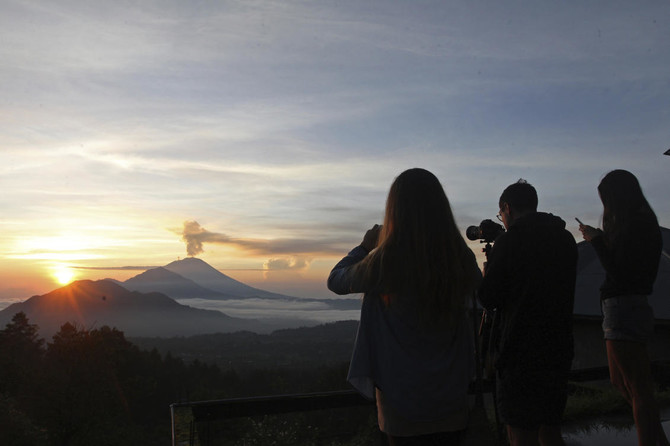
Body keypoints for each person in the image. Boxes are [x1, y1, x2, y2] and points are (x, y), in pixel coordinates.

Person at [327, 168, 481, 445]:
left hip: (400, 403)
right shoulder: (461, 259)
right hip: (452, 396)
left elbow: (336, 279)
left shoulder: (386, 261)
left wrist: (364, 247)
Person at [478, 179, 577, 446]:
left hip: (519, 352)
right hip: (558, 348)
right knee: (551, 429)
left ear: (507, 208)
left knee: (520, 432)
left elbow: (489, 298)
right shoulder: (565, 239)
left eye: (501, 214)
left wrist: (488, 273)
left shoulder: (510, 243)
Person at [579, 169, 669, 446]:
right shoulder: (644, 225)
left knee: (636, 387)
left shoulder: (635, 227)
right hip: (627, 306)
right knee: (623, 382)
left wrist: (597, 241)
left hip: (623, 307)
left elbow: (618, 270)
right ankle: (657, 439)